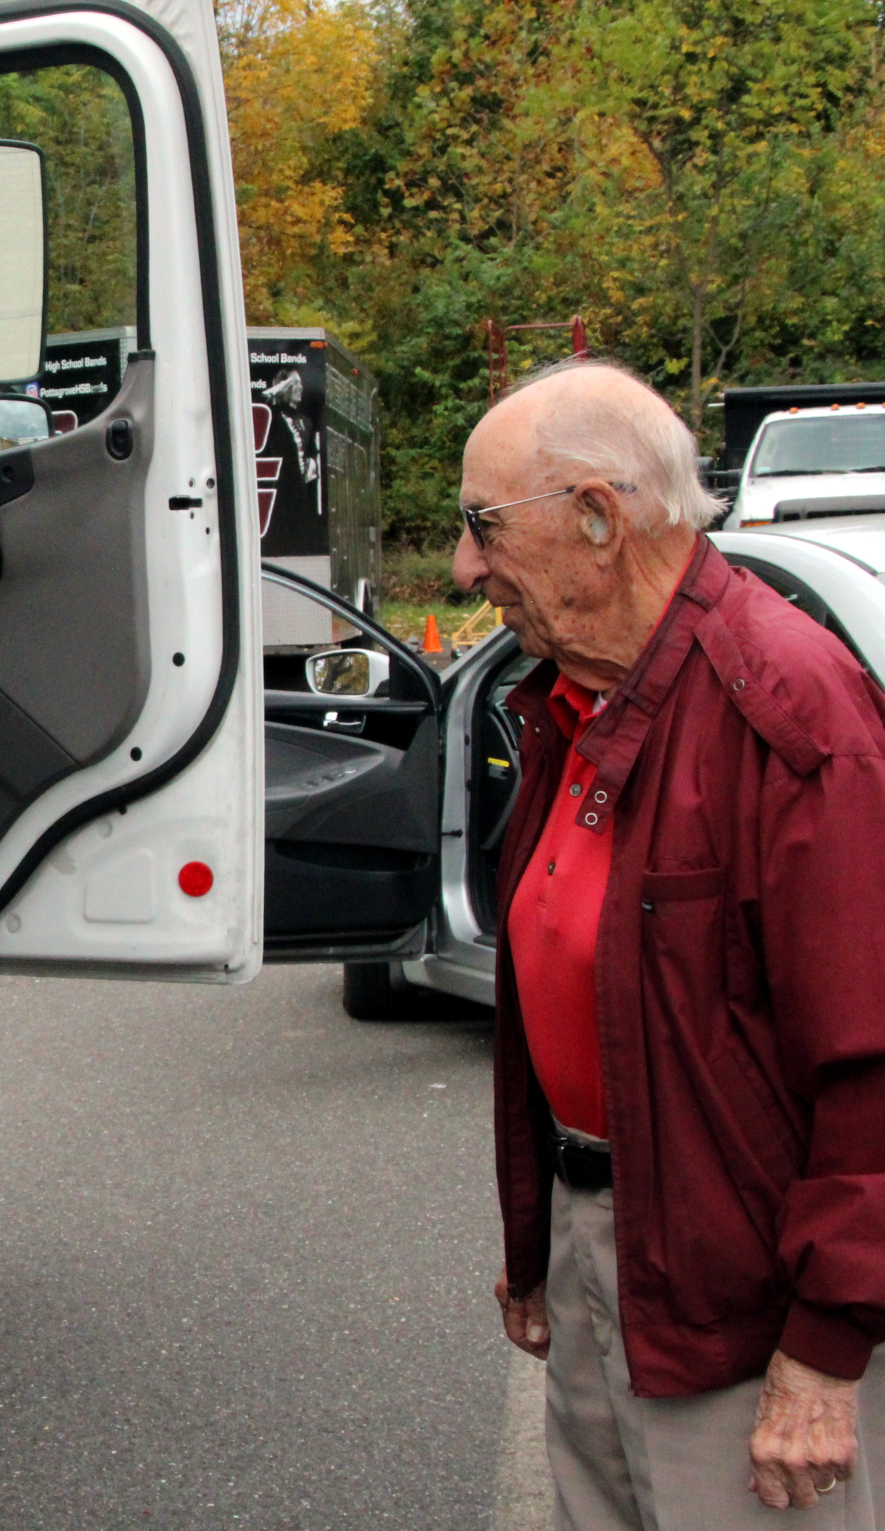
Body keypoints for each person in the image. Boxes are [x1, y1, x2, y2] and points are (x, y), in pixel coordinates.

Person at [457, 358, 885, 1528]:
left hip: (748, 1319)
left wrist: (827, 1348)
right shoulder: (577, 705)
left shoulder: (788, 712)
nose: (463, 567)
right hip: (618, 1245)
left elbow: (871, 1068)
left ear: (598, 517)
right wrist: (542, 1238)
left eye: (484, 526)